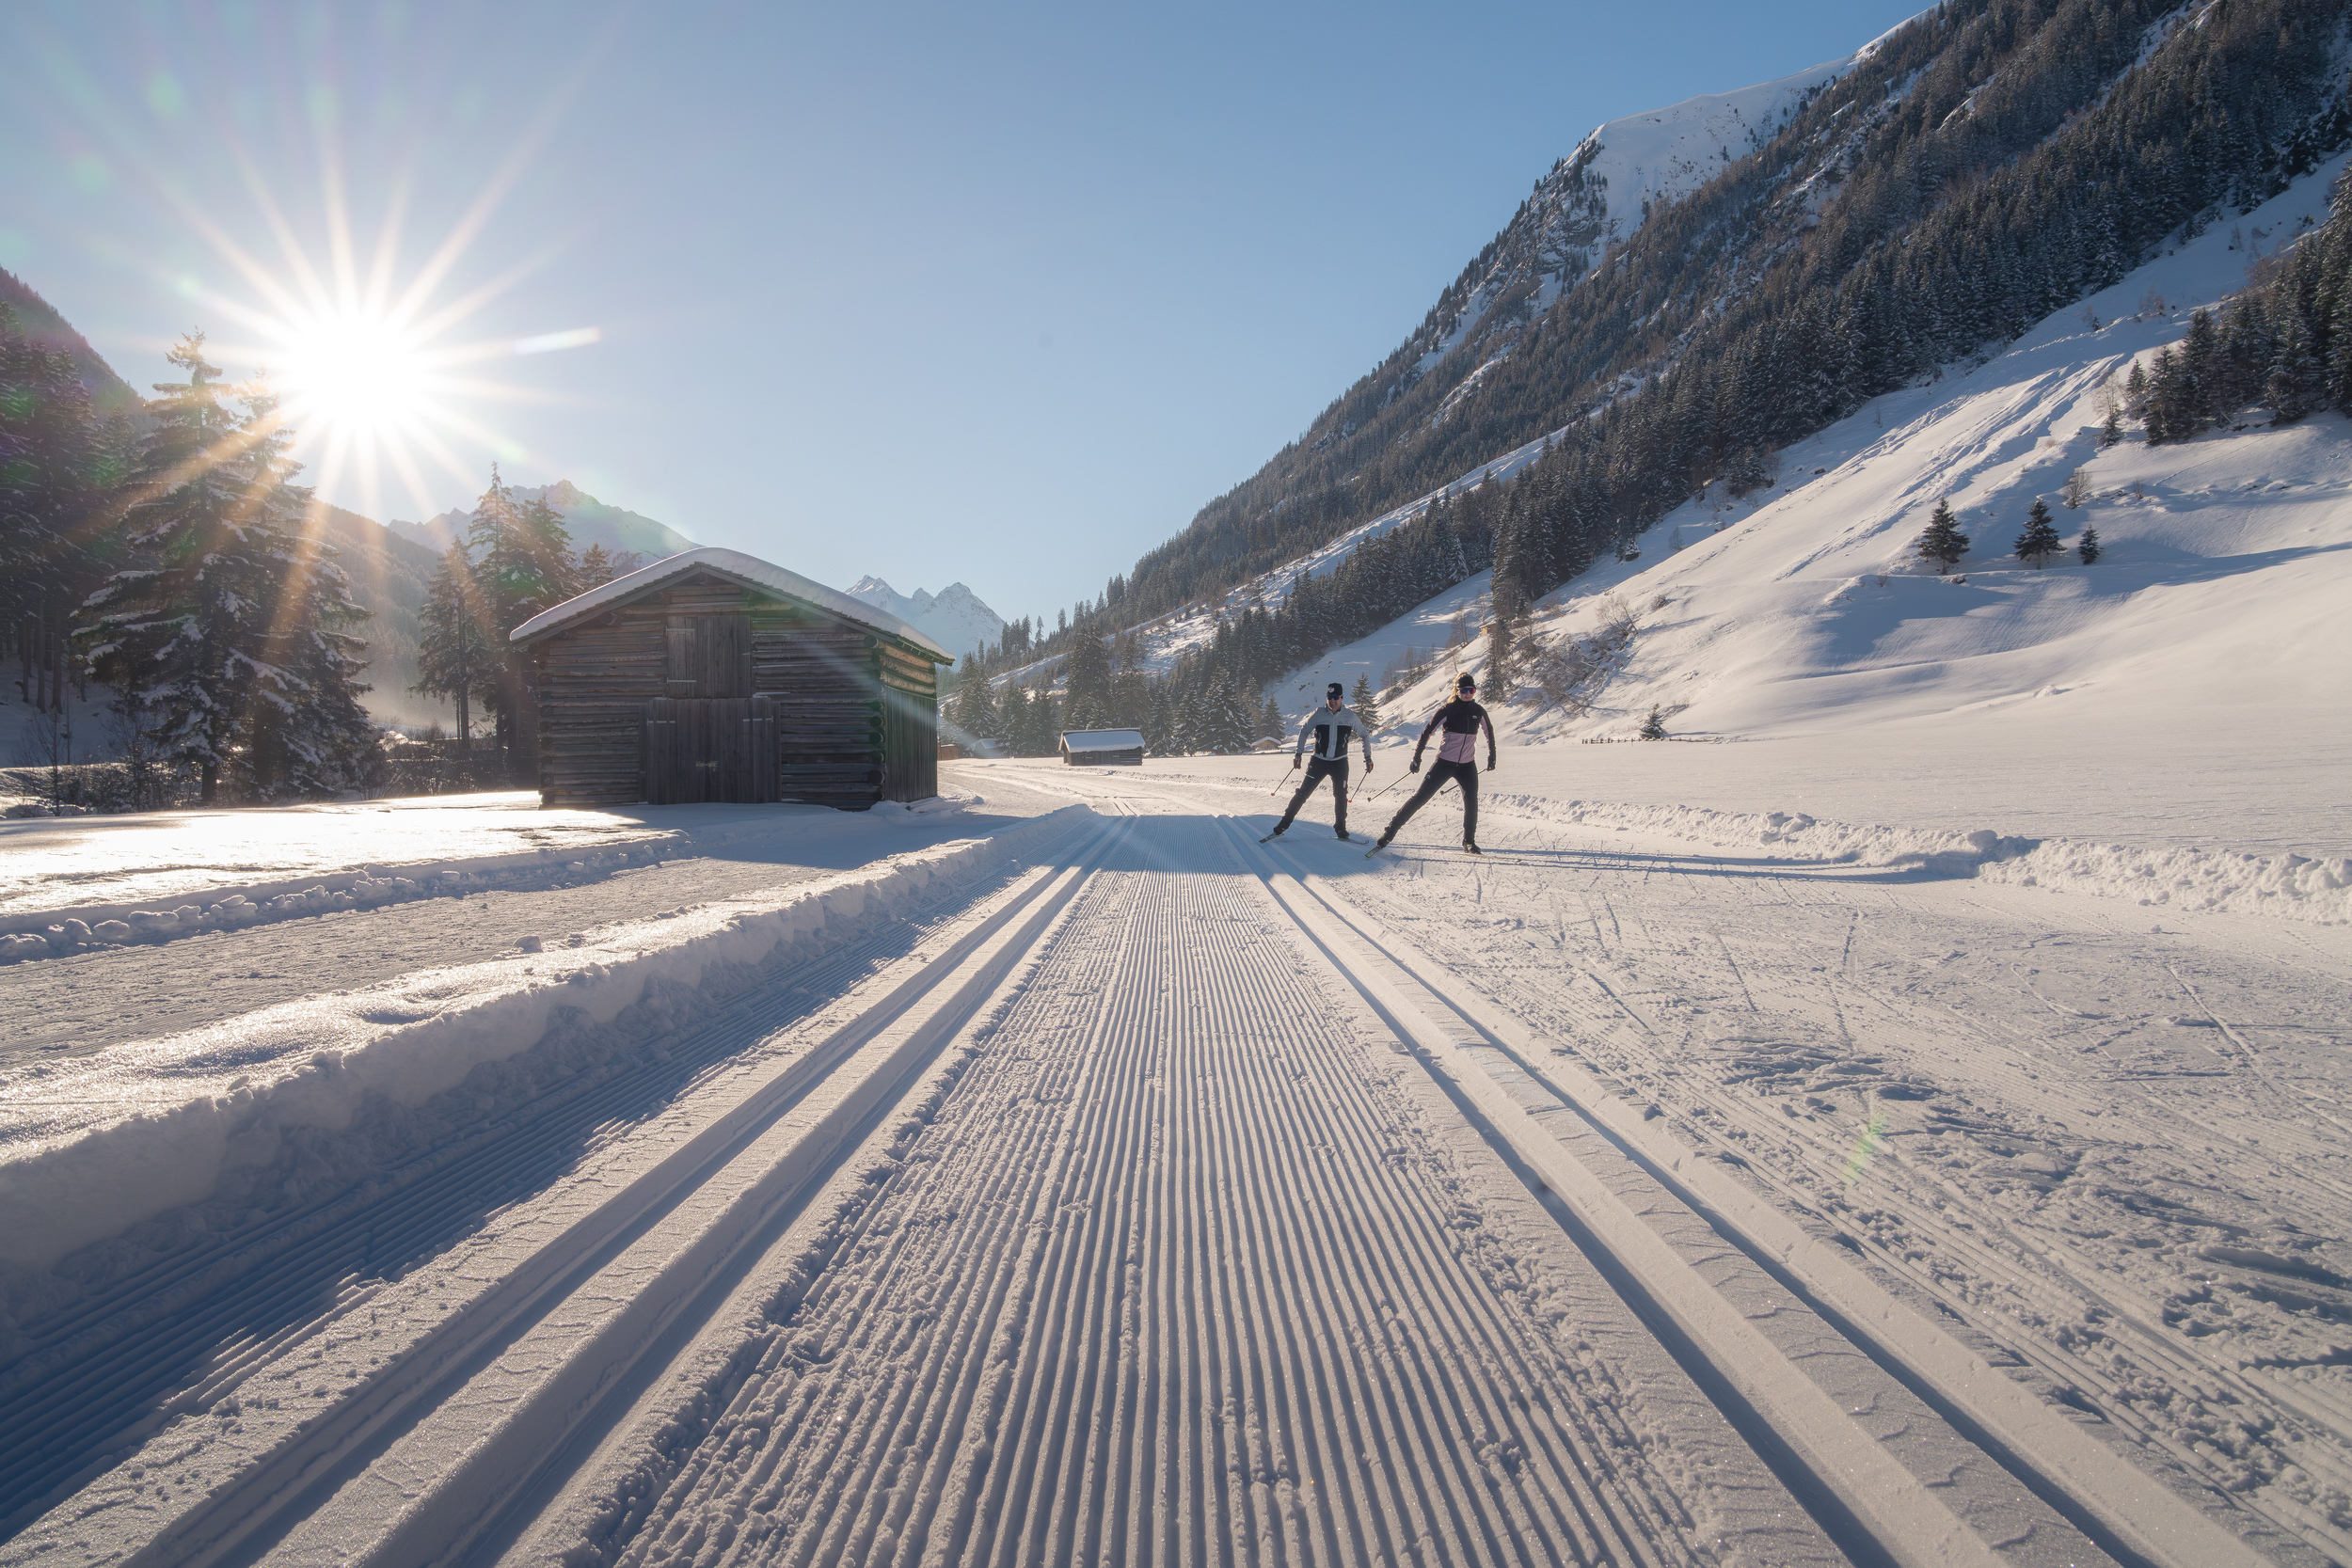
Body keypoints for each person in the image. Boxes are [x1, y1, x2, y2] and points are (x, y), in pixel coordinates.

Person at [1374, 673, 1495, 854]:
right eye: (1465, 690)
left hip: (1467, 765)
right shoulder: (1447, 710)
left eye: (1472, 690)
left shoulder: (1479, 711)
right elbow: (1427, 732)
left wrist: (1492, 755)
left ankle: (1469, 842)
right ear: (1458, 690)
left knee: (1471, 801)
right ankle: (1389, 833)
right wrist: (1417, 757)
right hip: (1444, 763)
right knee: (1420, 798)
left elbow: (1489, 731)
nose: (1469, 694)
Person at [1268, 681, 1374, 840]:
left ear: (1341, 698)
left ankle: (1340, 829)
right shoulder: (1318, 714)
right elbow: (1304, 731)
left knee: (1341, 795)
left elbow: (1364, 735)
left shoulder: (1349, 716)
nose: (1332, 700)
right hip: (1319, 761)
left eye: (1335, 697)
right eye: (1329, 697)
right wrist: (1298, 754)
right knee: (1302, 793)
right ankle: (1283, 825)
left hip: (1340, 762)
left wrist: (1368, 757)